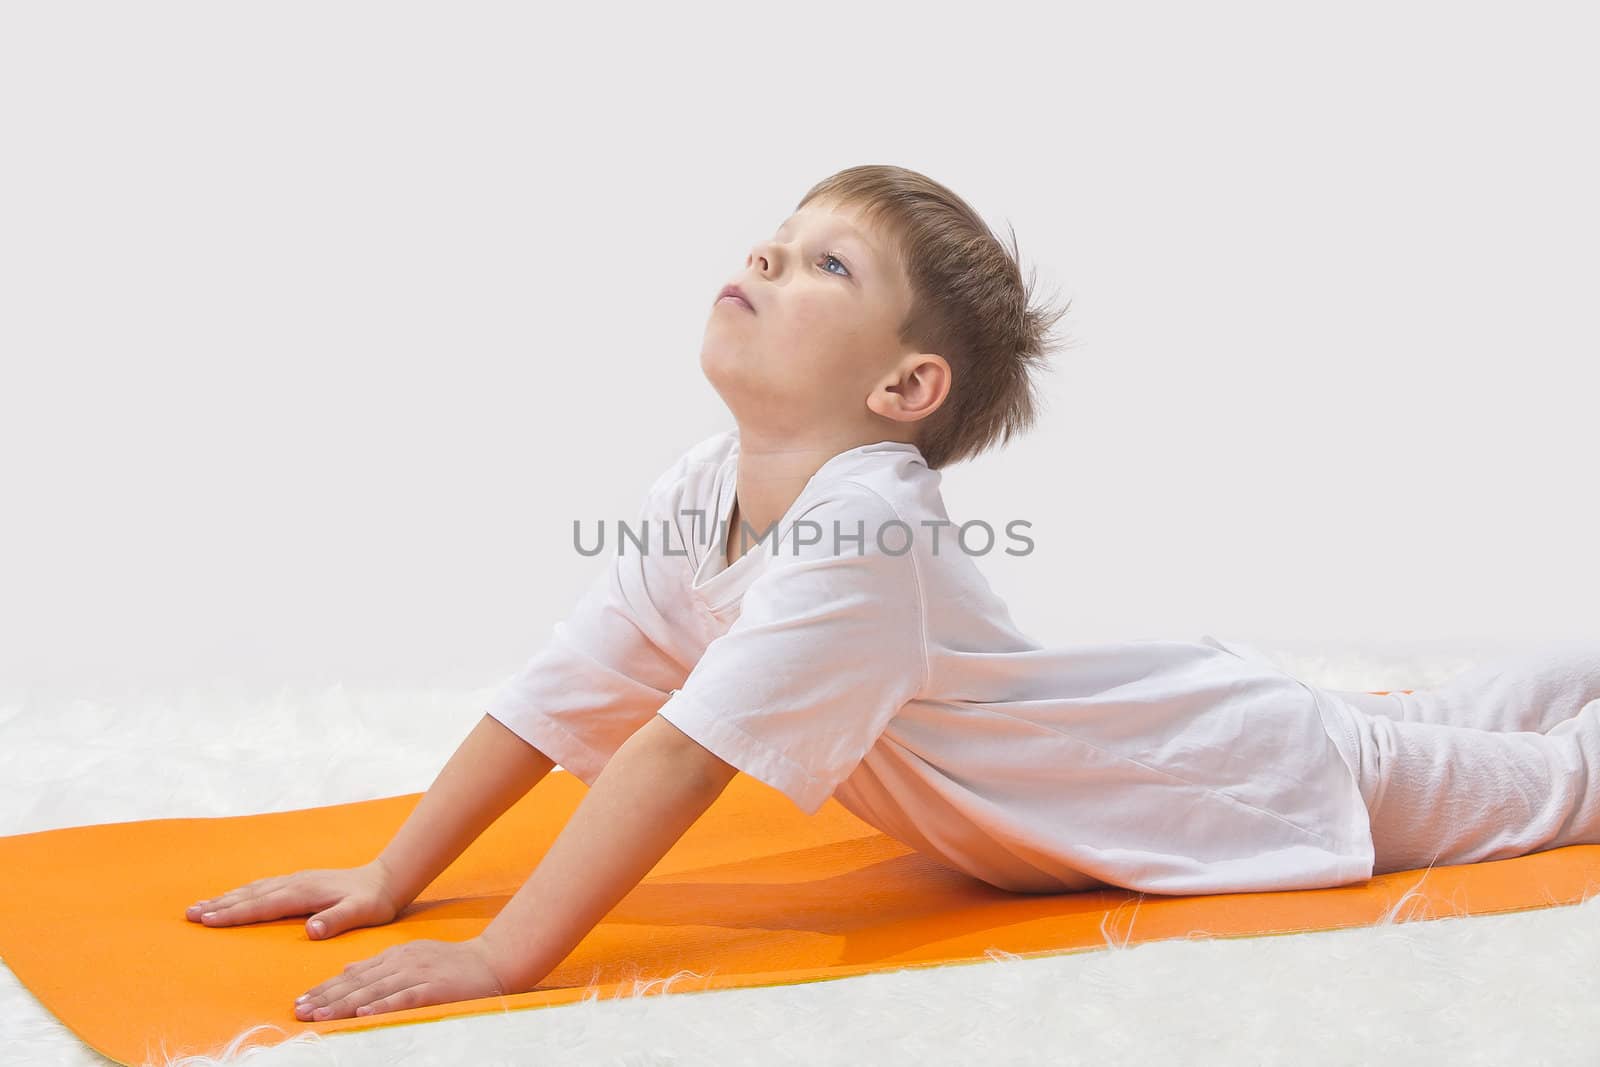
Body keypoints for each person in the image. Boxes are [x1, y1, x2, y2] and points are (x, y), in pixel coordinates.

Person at [183, 164, 1600, 1023]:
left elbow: (676, 756)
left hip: (1232, 778)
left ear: (903, 389)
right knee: (1492, 712)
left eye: (824, 264)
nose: (763, 259)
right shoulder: (702, 486)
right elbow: (566, 691)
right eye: (774, 240)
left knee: (1550, 790)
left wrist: (503, 959)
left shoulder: (865, 532)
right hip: (1202, 730)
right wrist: (392, 876)